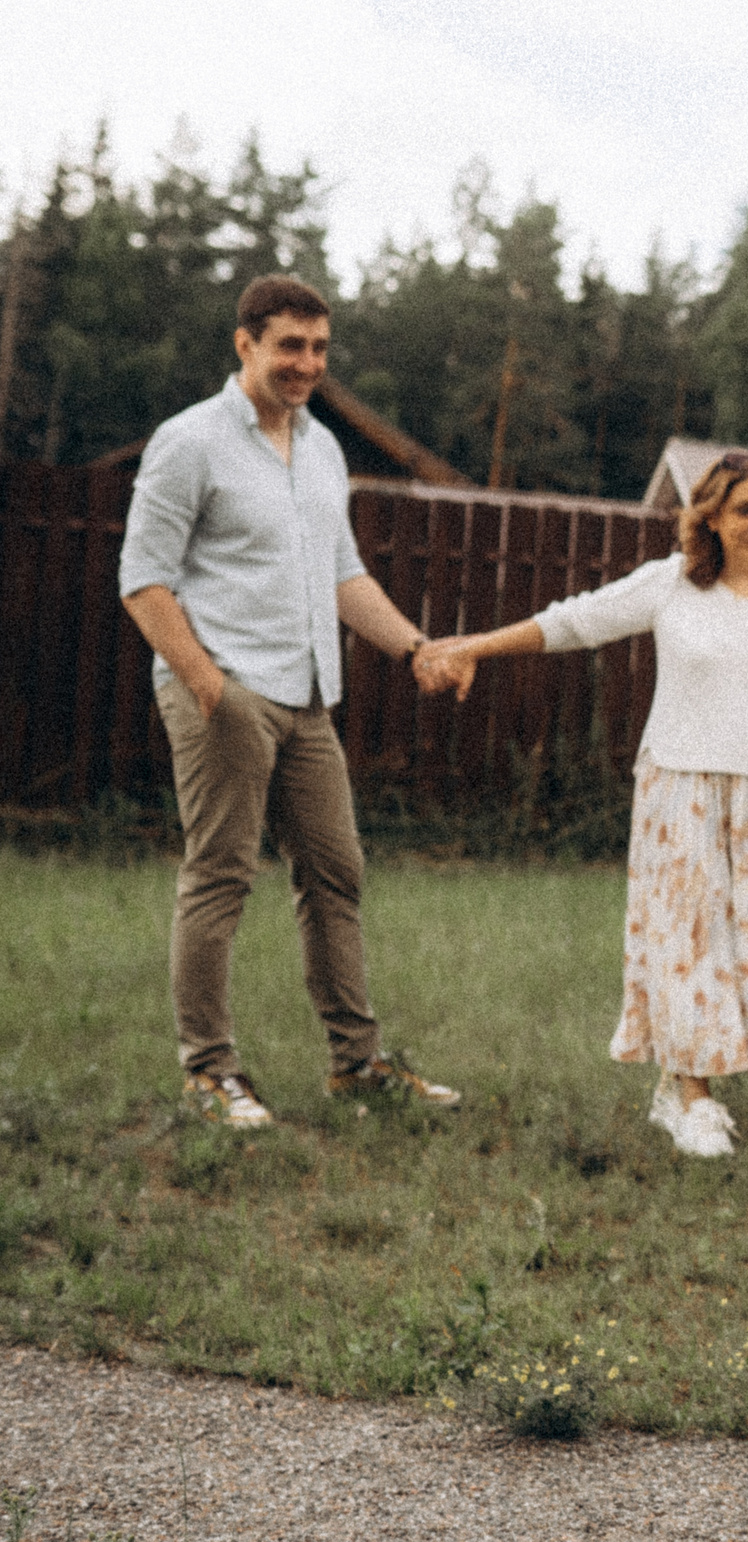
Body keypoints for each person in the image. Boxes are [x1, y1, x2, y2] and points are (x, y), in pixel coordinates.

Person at [419, 454, 748, 1157]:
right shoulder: (671, 584)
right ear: (712, 517)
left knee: (737, 946)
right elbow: (574, 622)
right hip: (683, 789)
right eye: (744, 509)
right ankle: (694, 1097)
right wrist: (476, 645)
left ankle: (677, 1086)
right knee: (691, 939)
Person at [117, 273, 464, 1130]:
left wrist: (416, 646)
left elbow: (344, 575)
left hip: (309, 698)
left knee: (336, 874)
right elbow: (142, 580)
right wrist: (207, 683)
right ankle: (209, 1074)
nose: (307, 363)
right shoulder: (189, 441)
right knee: (221, 876)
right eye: (289, 346)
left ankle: (357, 1066)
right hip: (226, 690)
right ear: (245, 344)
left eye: (319, 348)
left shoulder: (322, 449)